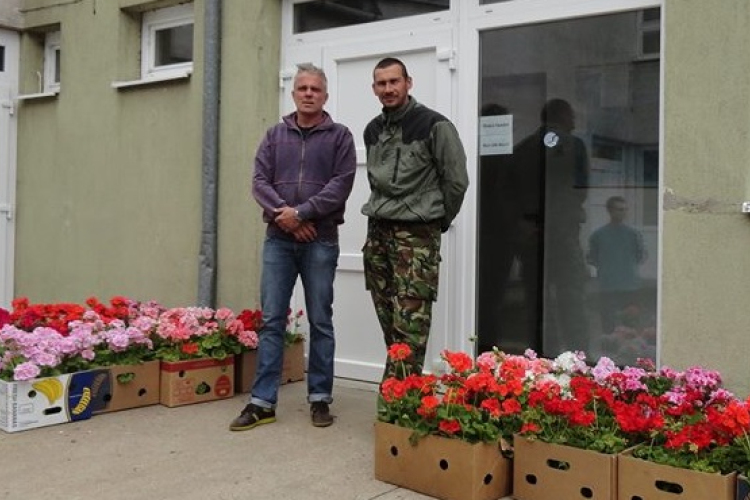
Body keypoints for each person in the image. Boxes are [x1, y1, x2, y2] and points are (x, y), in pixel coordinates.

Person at [229, 63, 356, 431]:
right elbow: (259, 181)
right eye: (303, 88)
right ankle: (262, 402)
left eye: (315, 89)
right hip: (279, 242)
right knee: (272, 320)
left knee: (320, 320)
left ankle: (320, 399)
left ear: (325, 95)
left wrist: (301, 213)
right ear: (294, 93)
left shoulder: (340, 137)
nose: (308, 94)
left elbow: (341, 185)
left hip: (321, 239)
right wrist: (284, 217)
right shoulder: (274, 136)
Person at [361, 57, 469, 381]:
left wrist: (437, 222)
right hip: (378, 232)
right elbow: (376, 183)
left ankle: (397, 398)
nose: (388, 89)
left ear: (408, 83)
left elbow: (456, 182)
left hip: (416, 236)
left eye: (394, 81)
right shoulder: (372, 130)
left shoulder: (435, 126)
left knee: (411, 322)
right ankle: (407, 390)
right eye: (381, 83)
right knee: (389, 317)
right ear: (374, 88)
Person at [512, 98, 590, 354]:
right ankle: (577, 353)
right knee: (571, 296)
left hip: (531, 233)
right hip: (563, 232)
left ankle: (540, 352)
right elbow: (581, 188)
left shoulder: (522, 148)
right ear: (563, 116)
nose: (574, 122)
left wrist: (524, 222)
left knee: (536, 298)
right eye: (572, 116)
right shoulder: (574, 146)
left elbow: (511, 192)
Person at [587, 196, 647, 335]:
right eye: (619, 209)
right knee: (608, 324)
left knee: (631, 324)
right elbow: (592, 258)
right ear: (610, 211)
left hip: (630, 285)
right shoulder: (598, 235)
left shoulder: (633, 234)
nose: (623, 213)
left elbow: (641, 255)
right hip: (608, 286)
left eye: (625, 209)